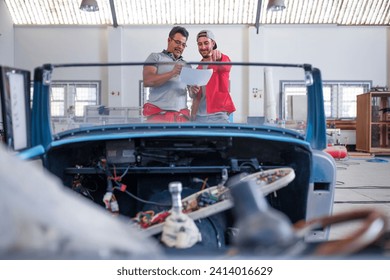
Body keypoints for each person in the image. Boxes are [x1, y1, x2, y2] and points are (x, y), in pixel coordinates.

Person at [142, 26, 191, 122]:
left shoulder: (187, 65)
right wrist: (172, 73)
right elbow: (148, 81)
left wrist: (194, 91)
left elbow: (192, 94)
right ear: (169, 40)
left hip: (181, 118)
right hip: (158, 117)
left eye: (183, 45)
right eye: (177, 42)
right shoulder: (155, 57)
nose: (180, 47)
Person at [190, 30, 236, 123]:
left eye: (206, 43)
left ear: (213, 43)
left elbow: (227, 65)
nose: (203, 47)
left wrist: (220, 57)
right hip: (199, 117)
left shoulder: (220, 60)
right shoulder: (197, 68)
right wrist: (192, 91)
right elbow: (196, 97)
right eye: (200, 44)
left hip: (218, 116)